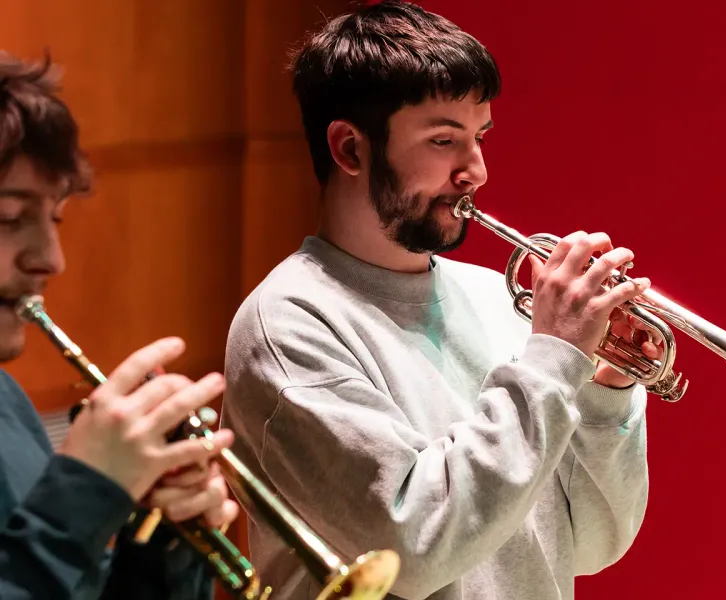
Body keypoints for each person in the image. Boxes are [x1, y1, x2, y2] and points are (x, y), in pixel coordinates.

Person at [219, 2, 653, 599]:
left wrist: (604, 392)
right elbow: (416, 547)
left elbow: (591, 542)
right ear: (350, 149)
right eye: (444, 140)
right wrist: (552, 358)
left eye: (480, 138)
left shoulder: (494, 297)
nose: (476, 170)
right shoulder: (289, 327)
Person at [0, 52, 240, 599]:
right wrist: (85, 491)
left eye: (54, 218)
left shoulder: (5, 401)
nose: (52, 259)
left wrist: (161, 542)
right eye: (9, 217)